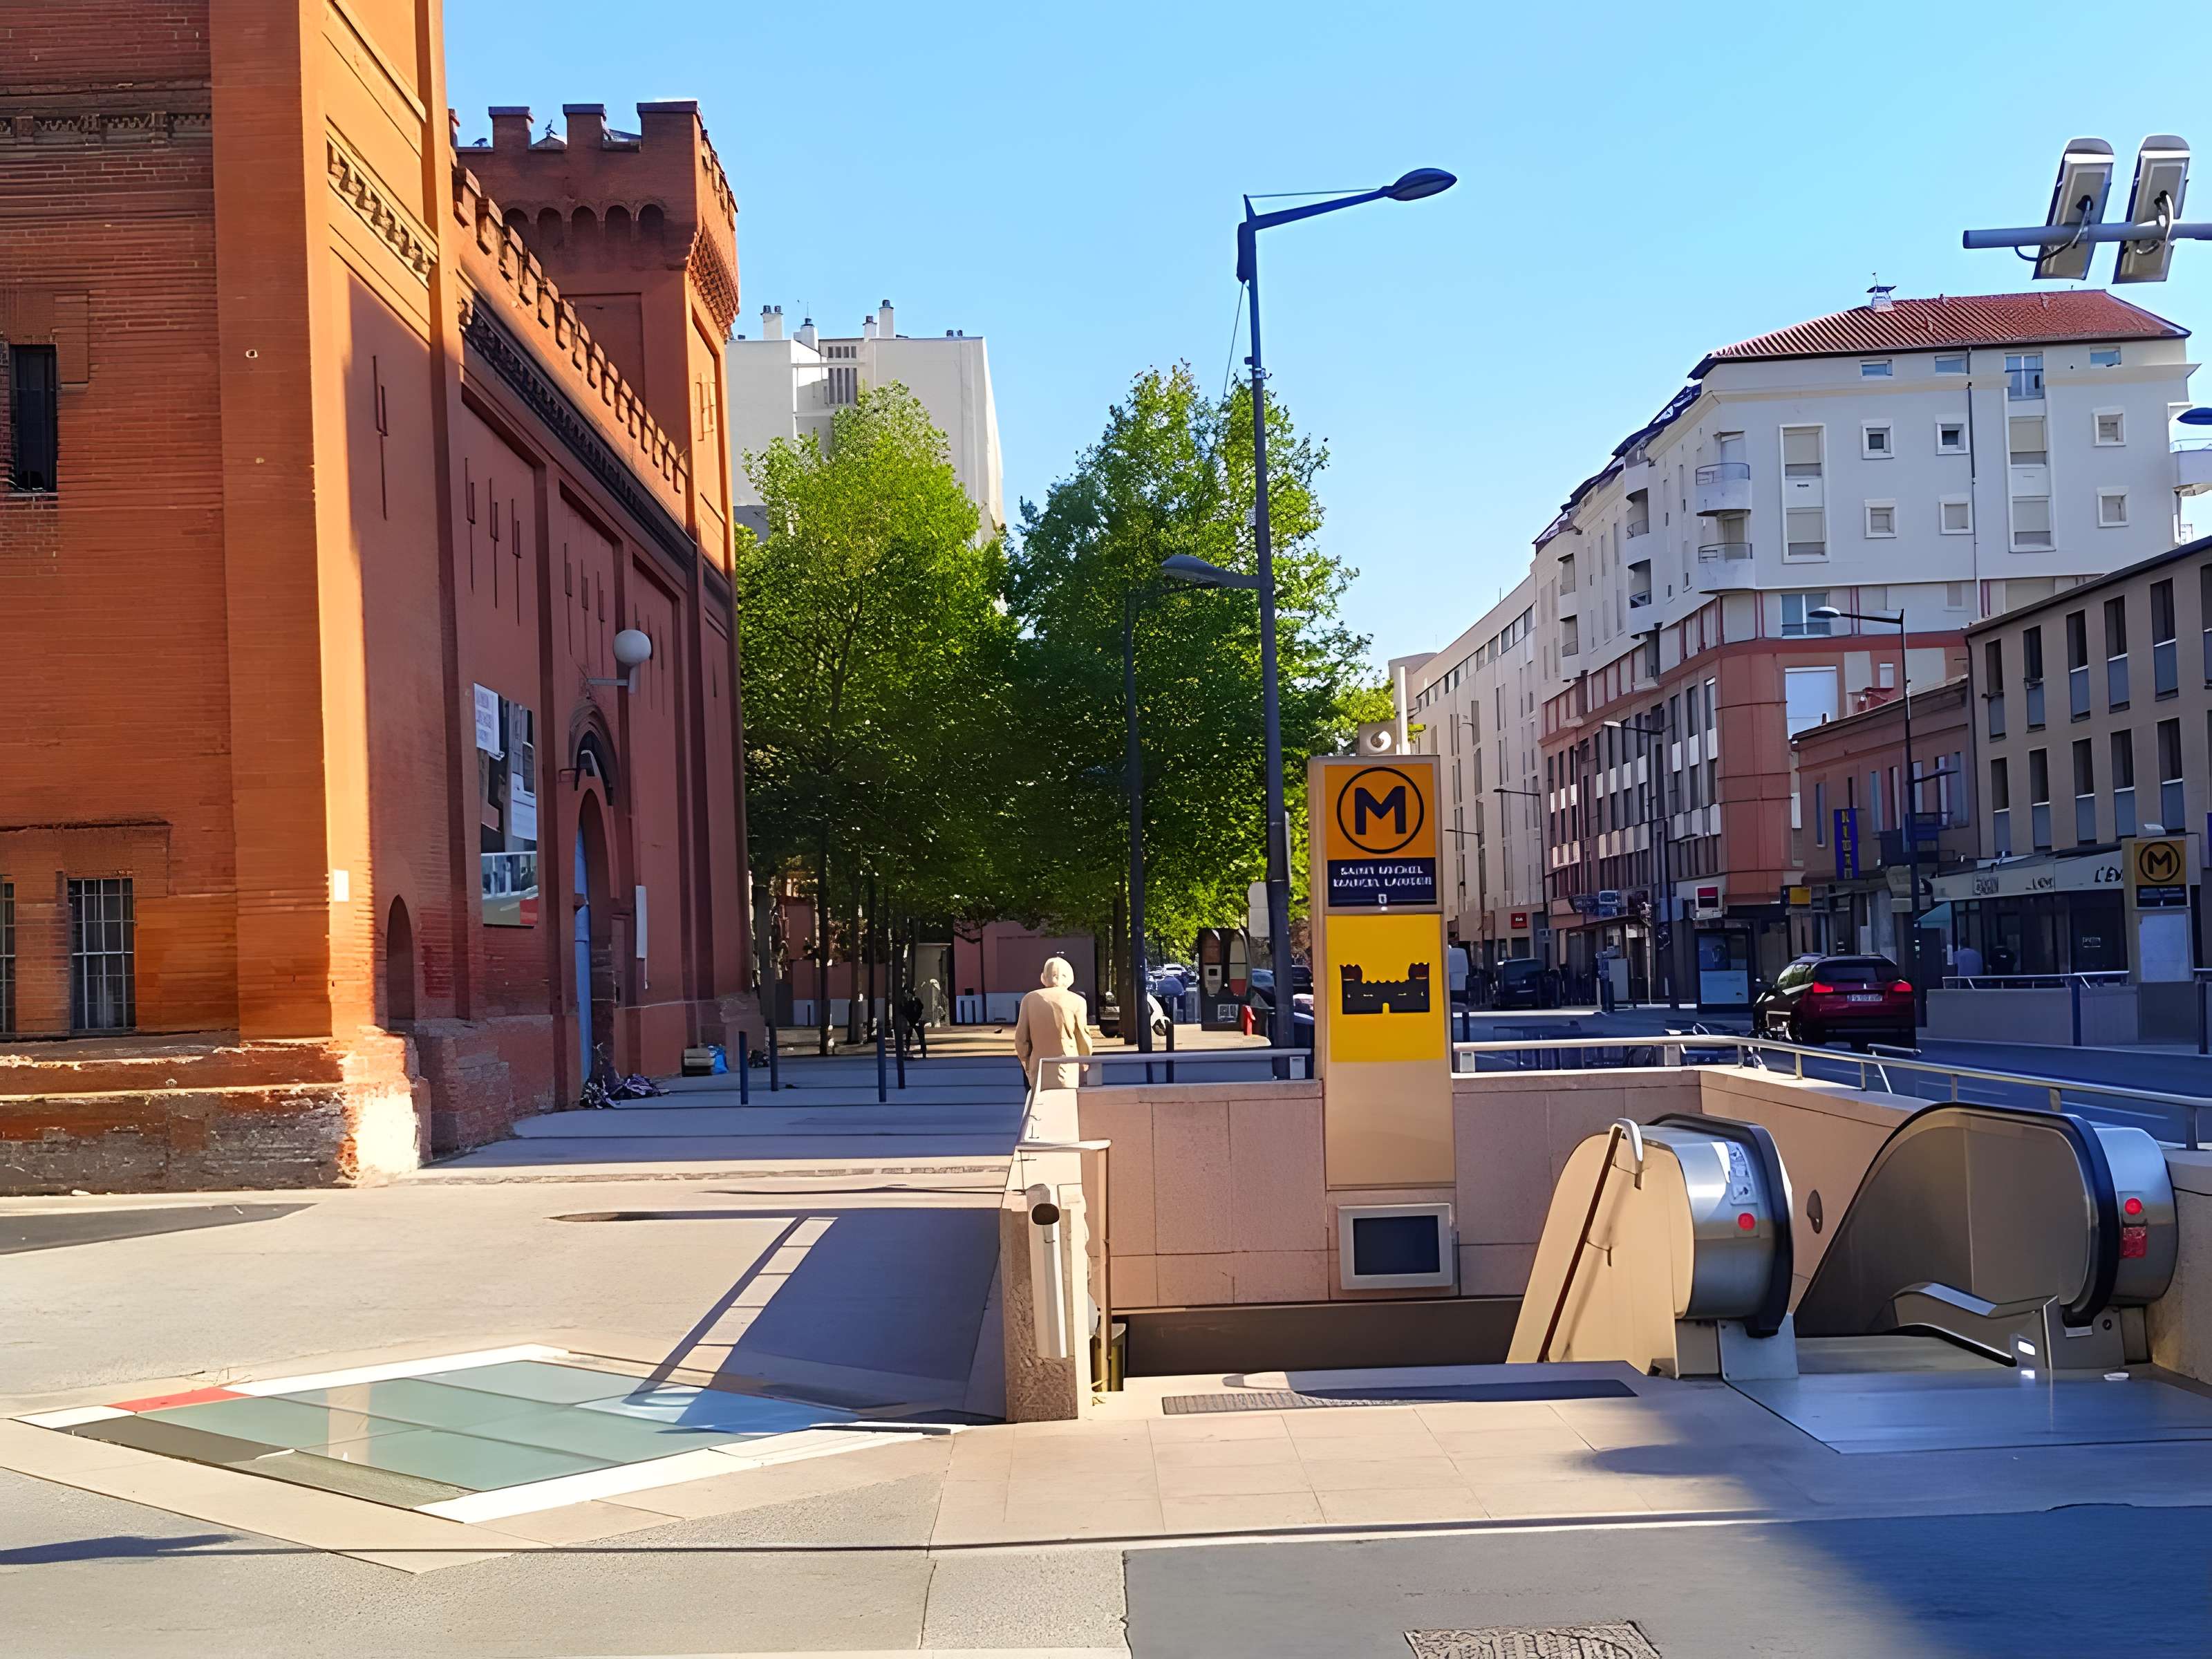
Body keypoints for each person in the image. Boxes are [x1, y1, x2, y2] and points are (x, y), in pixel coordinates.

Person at [1013, 955, 1094, 1089]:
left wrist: (1027, 1063)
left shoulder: (1029, 999)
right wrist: (1084, 1064)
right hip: (1068, 1067)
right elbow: (1083, 1038)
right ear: (1070, 977)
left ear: (1043, 977)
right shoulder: (1078, 1001)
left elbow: (1021, 1039)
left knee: (1040, 1106)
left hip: (1038, 1067)